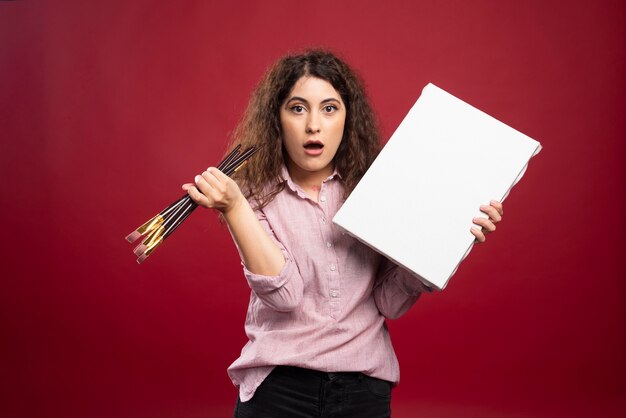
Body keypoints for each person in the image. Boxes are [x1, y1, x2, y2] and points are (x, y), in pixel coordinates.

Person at [182, 49, 504, 418]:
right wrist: (235, 206)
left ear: (348, 118)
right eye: (298, 108)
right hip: (278, 390)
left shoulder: (378, 189)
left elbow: (389, 302)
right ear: (277, 118)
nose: (313, 125)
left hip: (362, 391)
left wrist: (447, 238)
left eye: (329, 108)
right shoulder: (252, 194)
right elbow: (284, 296)